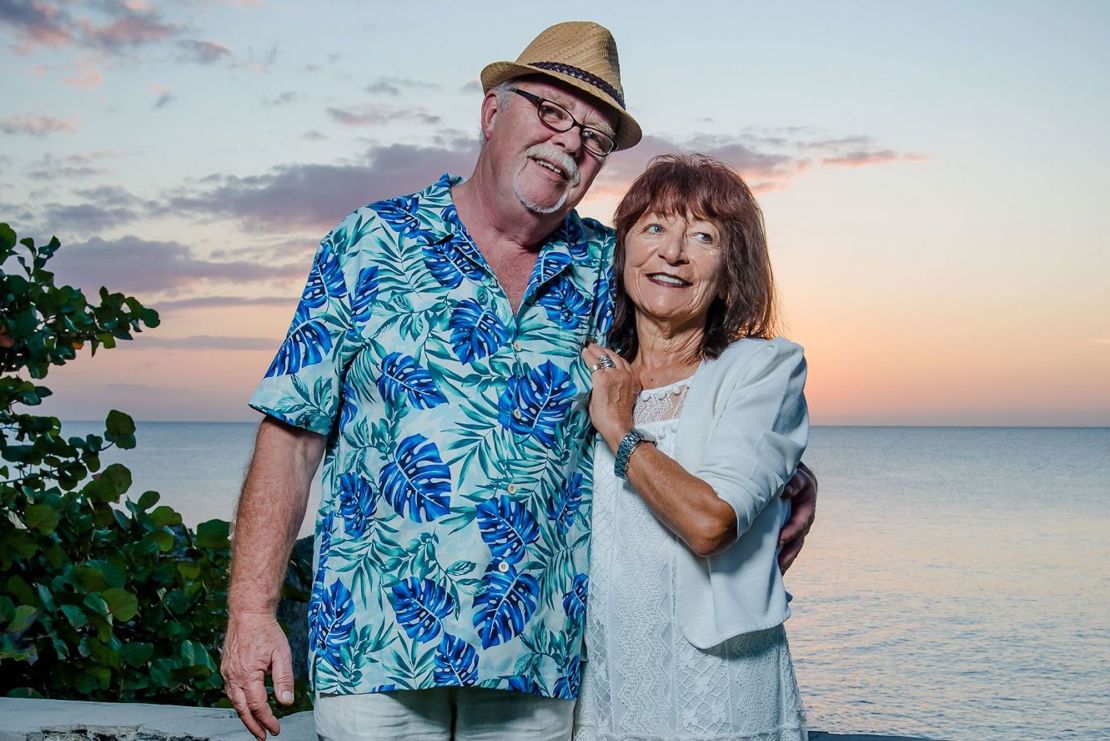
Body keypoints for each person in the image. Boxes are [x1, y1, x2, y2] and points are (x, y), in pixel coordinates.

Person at [220, 22, 817, 741]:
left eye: (595, 139)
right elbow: (291, 435)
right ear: (491, 112)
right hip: (373, 651)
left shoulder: (606, 268)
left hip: (536, 668)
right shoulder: (368, 243)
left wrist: (781, 468)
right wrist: (252, 615)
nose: (571, 141)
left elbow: (683, 365)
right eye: (553, 111)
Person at [574, 154, 809, 740]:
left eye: (703, 236)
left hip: (718, 685)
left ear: (730, 270)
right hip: (599, 678)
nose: (673, 253)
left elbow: (711, 523)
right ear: (623, 249)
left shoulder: (761, 368)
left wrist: (622, 434)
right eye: (654, 227)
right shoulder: (588, 368)